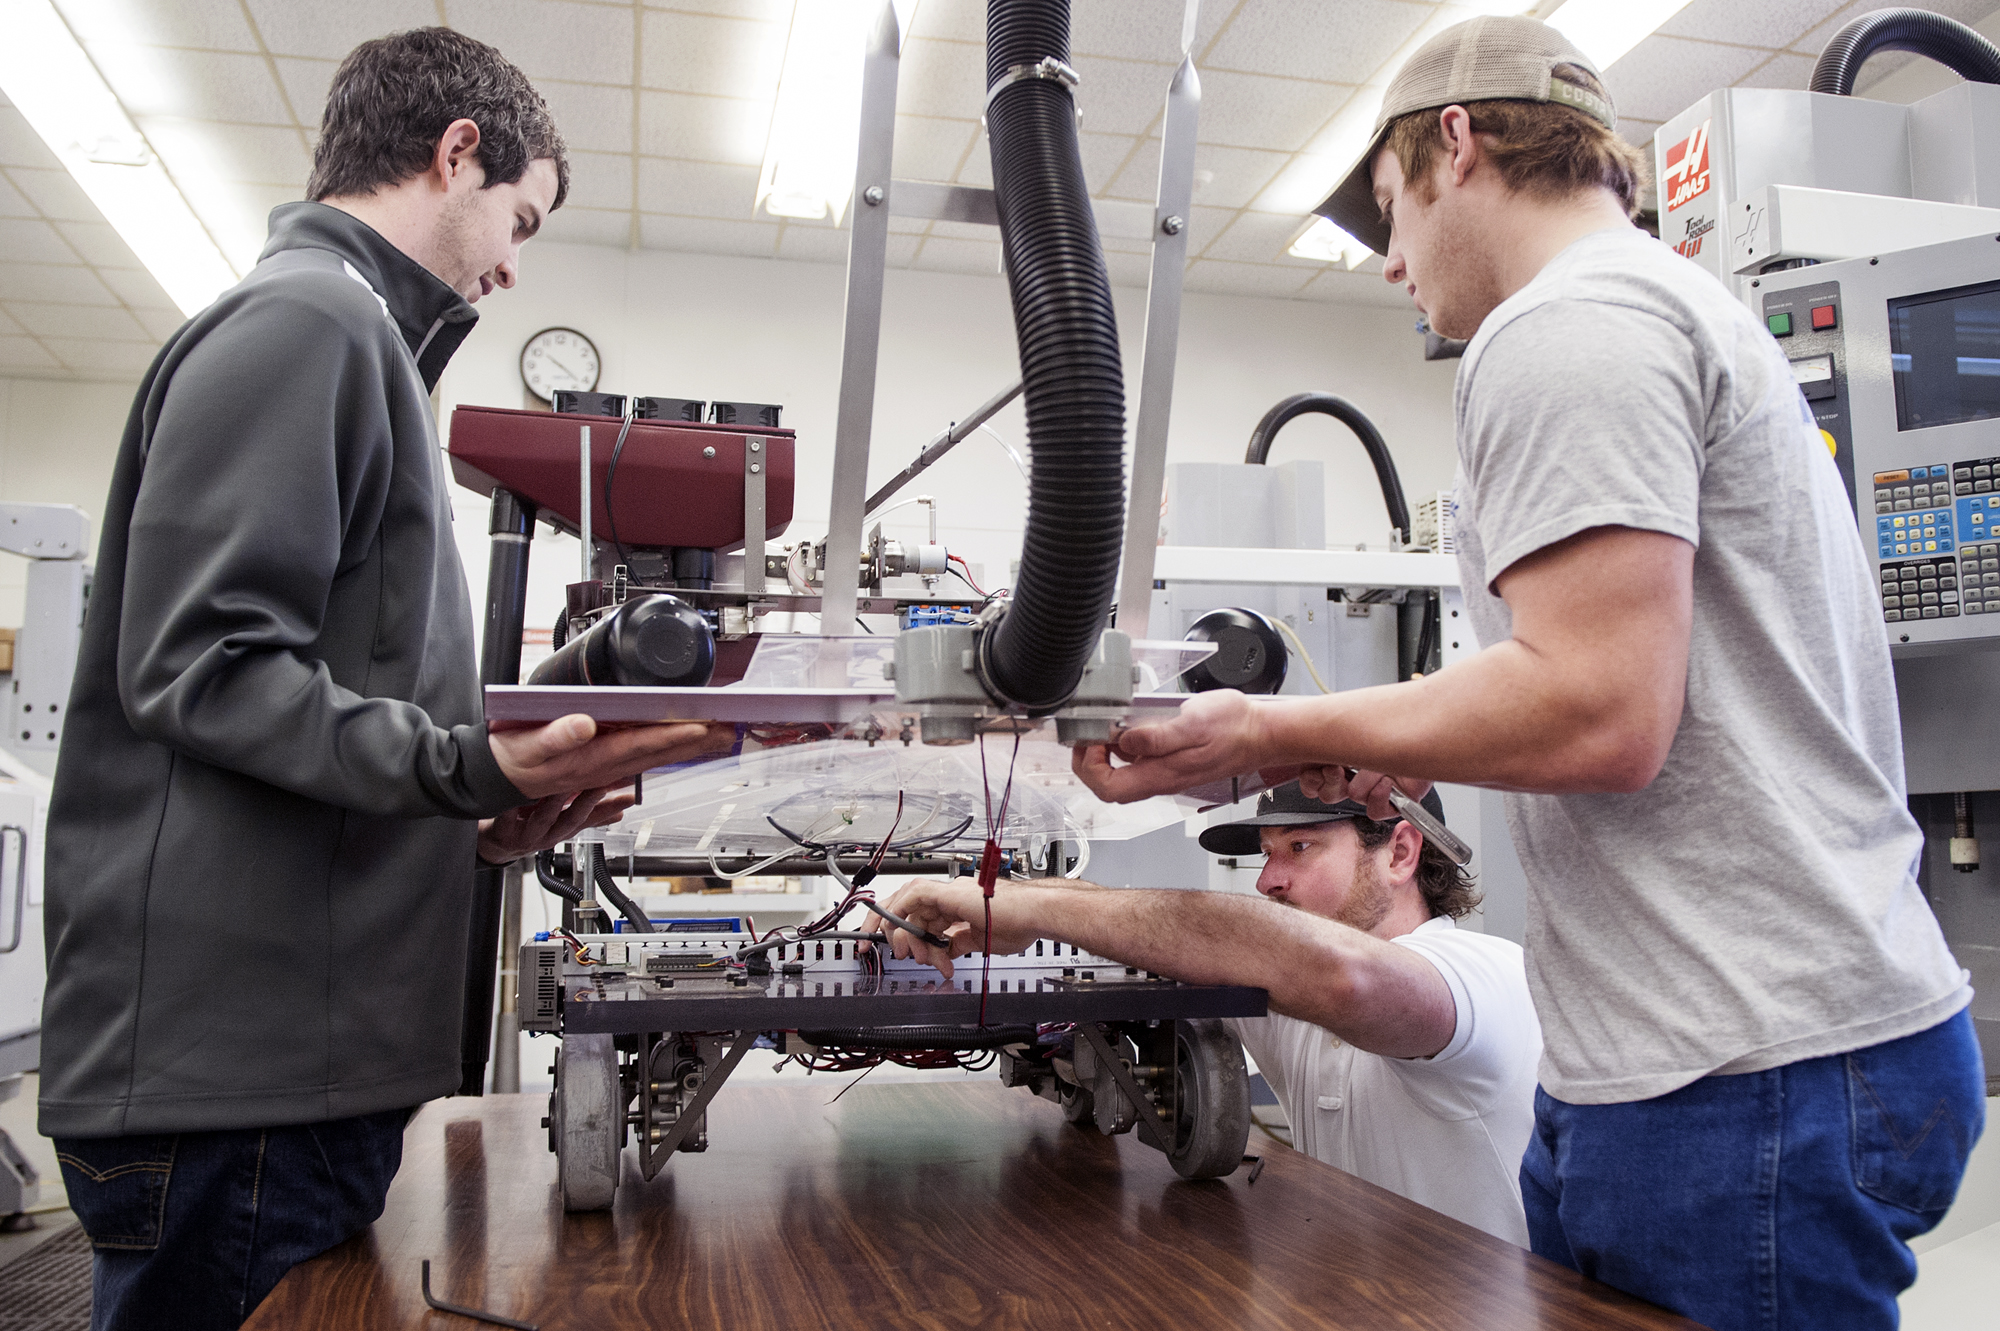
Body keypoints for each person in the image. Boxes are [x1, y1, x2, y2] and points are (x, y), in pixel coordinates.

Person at [1068, 15, 1982, 1330]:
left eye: (1388, 211)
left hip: (1743, 1067)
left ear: (1457, 145)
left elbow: (1604, 709)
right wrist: (1421, 740)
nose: (1389, 262)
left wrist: (1260, 725)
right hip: (1719, 1051)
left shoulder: (1567, 328)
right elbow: (1642, 678)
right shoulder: (1655, 310)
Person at [37, 29, 727, 1331]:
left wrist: (476, 815)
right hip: (237, 1091)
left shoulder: (351, 346)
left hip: (275, 1078)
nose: (513, 263)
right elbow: (204, 665)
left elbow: (285, 719)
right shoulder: (308, 323)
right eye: (517, 217)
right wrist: (463, 761)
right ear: (455, 150)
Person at [880, 781, 1541, 1245]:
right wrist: (1008, 902)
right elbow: (1158, 930)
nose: (1266, 879)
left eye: (1299, 849)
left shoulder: (1482, 975)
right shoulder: (1298, 1002)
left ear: (1400, 852)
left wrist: (1029, 906)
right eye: (1266, 853)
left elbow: (1337, 975)